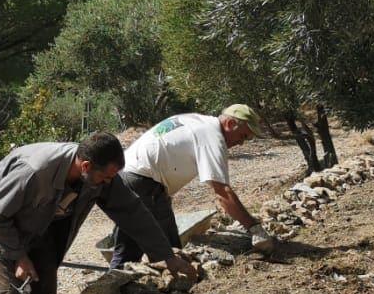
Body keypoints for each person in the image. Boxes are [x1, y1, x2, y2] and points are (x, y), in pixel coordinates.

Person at [0, 131, 199, 294]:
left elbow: (133, 212)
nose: (109, 183)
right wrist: (19, 256)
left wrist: (166, 255)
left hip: (42, 222)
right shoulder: (35, 173)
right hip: (1, 221)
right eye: (105, 178)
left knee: (45, 289)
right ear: (86, 166)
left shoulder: (100, 172)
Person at [110, 103, 273, 268]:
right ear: (230, 124)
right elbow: (222, 193)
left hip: (125, 175)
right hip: (142, 180)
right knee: (170, 252)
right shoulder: (212, 137)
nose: (241, 143)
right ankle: (173, 290)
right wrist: (254, 228)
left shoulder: (198, 121)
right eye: (243, 136)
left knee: (127, 249)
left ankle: (117, 286)